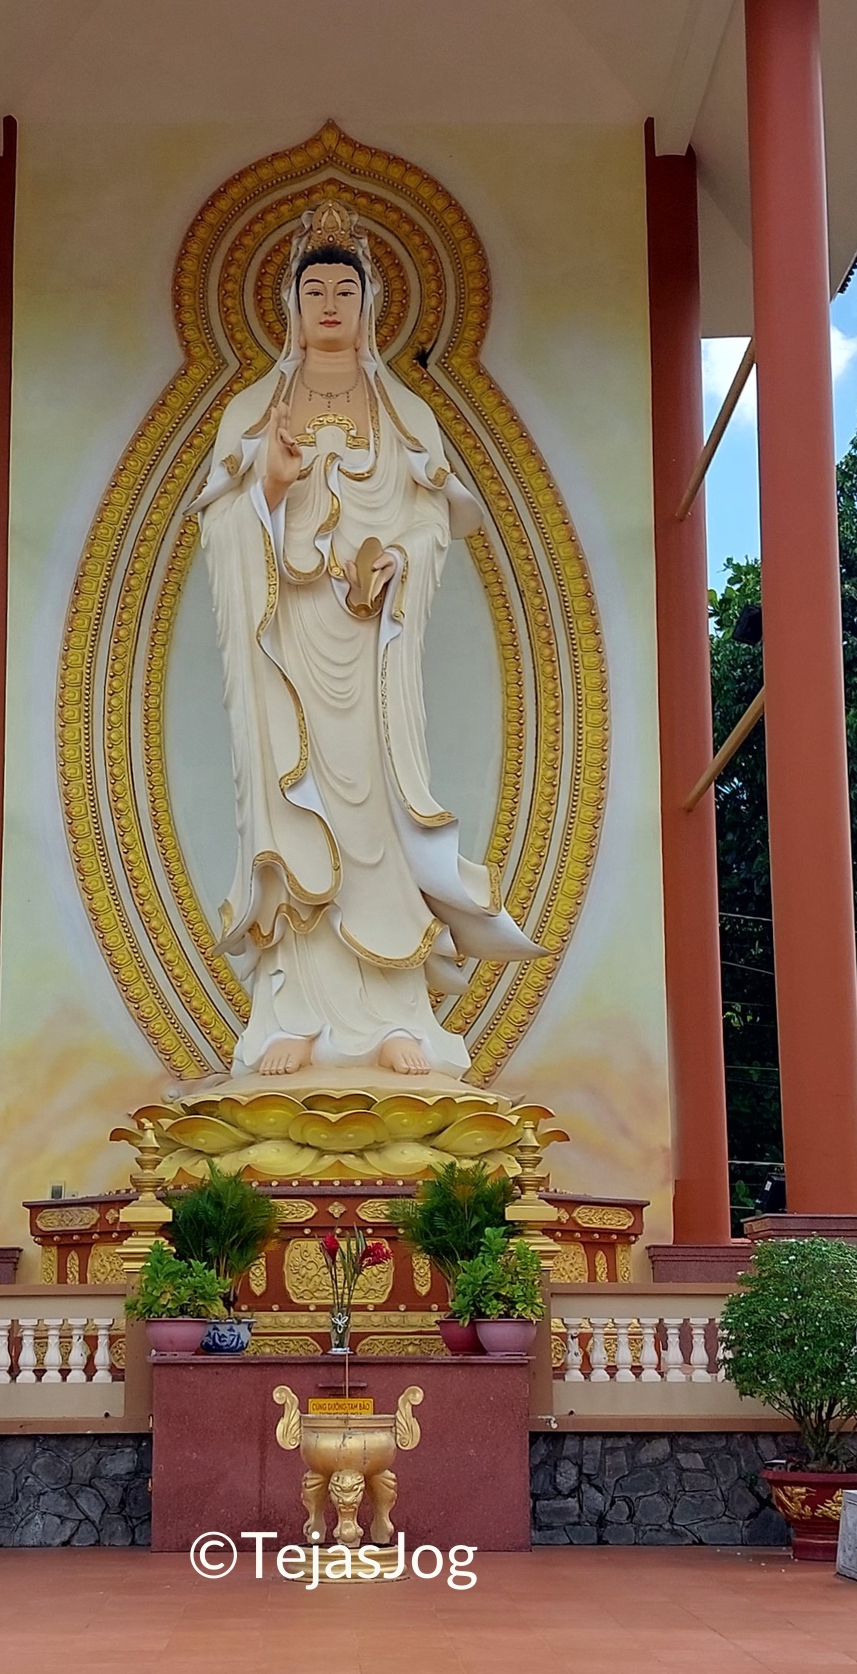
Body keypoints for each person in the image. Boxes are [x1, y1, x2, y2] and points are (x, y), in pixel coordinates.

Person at [194, 199, 541, 1079]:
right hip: (286, 648)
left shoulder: (404, 417)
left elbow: (432, 526)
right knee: (289, 812)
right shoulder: (251, 410)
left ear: (371, 304)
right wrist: (267, 492)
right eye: (315, 288)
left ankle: (395, 1013)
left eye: (347, 288)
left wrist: (393, 572)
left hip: (373, 649)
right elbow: (222, 526)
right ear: (291, 305)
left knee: (373, 820)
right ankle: (293, 1012)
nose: (331, 303)